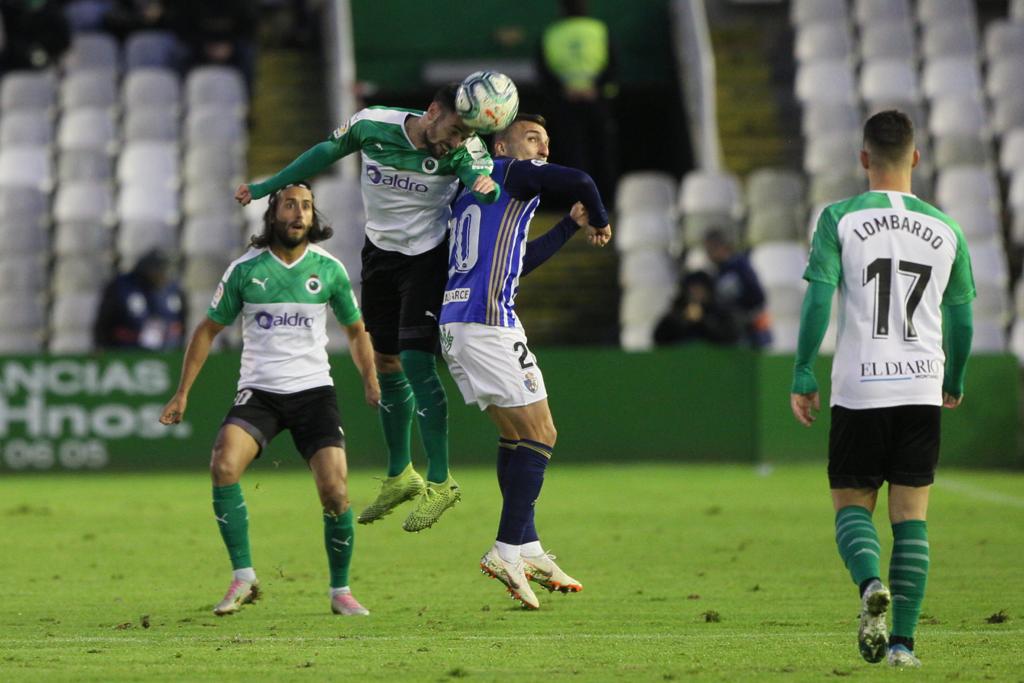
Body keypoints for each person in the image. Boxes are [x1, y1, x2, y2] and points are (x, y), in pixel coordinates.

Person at [235, 84, 500, 533]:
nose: (455, 140)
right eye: (453, 129)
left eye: (464, 134)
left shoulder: (467, 150)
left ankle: (441, 481)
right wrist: (268, 186)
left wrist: (484, 185)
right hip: (379, 255)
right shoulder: (373, 124)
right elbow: (324, 151)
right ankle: (401, 475)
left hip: (427, 258)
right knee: (387, 363)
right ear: (432, 111)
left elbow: (486, 185)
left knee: (418, 363)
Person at [790, 110, 974, 668]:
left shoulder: (840, 219)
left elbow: (819, 297)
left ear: (864, 157)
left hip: (861, 385)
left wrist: (803, 371)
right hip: (921, 386)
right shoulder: (948, 229)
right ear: (916, 157)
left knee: (852, 505)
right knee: (911, 517)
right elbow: (962, 318)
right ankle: (903, 647)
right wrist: (955, 377)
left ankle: (871, 584)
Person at [159, 183, 380, 617]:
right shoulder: (246, 270)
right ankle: (243, 577)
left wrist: (370, 379)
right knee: (223, 465)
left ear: (313, 217)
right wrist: (182, 392)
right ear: (273, 214)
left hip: (314, 391)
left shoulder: (329, 270)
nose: (299, 214)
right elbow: (206, 330)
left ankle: (341, 591)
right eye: (291, 205)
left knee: (335, 492)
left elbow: (356, 331)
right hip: (260, 391)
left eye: (307, 207)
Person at [439, 113, 611, 609]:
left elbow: (518, 263)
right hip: (487, 322)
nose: (542, 148)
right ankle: (506, 548)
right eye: (532, 137)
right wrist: (599, 220)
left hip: (459, 321)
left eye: (547, 140)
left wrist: (570, 227)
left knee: (516, 436)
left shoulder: (473, 191)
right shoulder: (510, 172)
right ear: (502, 143)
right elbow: (582, 180)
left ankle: (527, 545)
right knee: (542, 434)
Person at [537, 0, 618, 203]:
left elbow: (543, 69)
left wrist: (563, 89)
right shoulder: (598, 30)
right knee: (603, 152)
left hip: (566, 102)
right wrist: (596, 88)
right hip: (596, 100)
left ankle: (579, 200)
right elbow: (613, 64)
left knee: (573, 153)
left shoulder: (552, 33)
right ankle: (607, 200)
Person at [94, 248, 186, 350]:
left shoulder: (173, 289)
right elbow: (104, 323)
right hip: (127, 353)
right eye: (158, 270)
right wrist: (102, 346)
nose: (162, 275)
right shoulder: (122, 287)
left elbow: (182, 322)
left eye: (165, 270)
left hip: (167, 354)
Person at [703, 228, 772, 348]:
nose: (709, 255)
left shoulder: (740, 268)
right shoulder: (718, 273)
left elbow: (757, 297)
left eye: (711, 250)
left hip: (749, 334)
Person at [653, 270, 740, 346]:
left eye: (700, 289)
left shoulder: (720, 313)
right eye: (693, 289)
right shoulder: (676, 313)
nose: (696, 294)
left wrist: (704, 321)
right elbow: (660, 339)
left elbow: (730, 338)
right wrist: (682, 321)